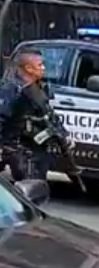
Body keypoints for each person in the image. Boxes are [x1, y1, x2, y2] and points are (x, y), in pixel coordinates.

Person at [0, 50, 72, 181]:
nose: (43, 68)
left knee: (37, 186)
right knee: (30, 189)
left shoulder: (38, 88)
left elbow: (48, 114)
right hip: (21, 150)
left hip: (38, 149)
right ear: (28, 68)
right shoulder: (13, 90)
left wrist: (63, 134)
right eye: (40, 65)